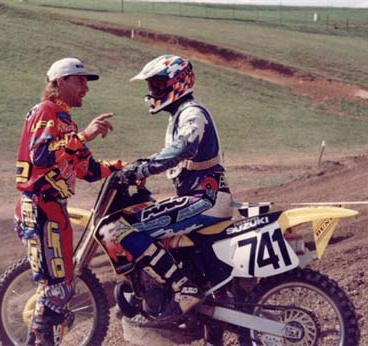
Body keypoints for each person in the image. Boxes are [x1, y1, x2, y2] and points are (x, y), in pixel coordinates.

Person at [113, 55, 234, 321]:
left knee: (123, 228)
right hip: (201, 199)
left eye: (156, 85)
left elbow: (182, 148)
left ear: (178, 82)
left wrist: (141, 168)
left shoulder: (192, 113)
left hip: (207, 199)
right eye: (152, 86)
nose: (152, 92)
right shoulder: (179, 115)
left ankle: (184, 289)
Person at [14, 57, 122, 345]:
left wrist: (121, 167)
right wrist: (85, 135)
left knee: (59, 287)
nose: (86, 87)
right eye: (80, 80)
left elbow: (86, 169)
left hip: (53, 209)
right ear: (59, 82)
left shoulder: (63, 119)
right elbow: (42, 155)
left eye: (87, 81)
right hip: (39, 206)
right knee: (57, 288)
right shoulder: (46, 111)